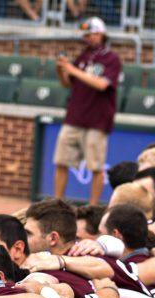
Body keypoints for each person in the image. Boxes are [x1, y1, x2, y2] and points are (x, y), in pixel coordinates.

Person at [53, 17, 122, 205]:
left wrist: (72, 70)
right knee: (61, 161)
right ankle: (57, 203)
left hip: (97, 120)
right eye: (86, 35)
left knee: (96, 167)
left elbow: (101, 84)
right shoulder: (83, 56)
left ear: (101, 34)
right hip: (74, 116)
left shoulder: (111, 58)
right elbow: (67, 83)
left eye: (91, 34)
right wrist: (62, 69)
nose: (88, 38)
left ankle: (92, 207)